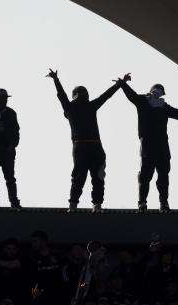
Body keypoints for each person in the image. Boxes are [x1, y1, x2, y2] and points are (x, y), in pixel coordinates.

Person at [115, 74, 178, 212]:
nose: (157, 94)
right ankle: (144, 203)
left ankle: (162, 204)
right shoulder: (144, 102)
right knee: (146, 176)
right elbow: (131, 95)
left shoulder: (163, 107)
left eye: (159, 92)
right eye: (156, 91)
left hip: (160, 148)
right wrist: (123, 84)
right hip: (151, 148)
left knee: (161, 177)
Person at [46, 69, 122, 212]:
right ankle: (96, 205)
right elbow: (105, 96)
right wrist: (119, 85)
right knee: (98, 178)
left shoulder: (70, 108)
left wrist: (56, 80)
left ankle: (73, 205)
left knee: (79, 177)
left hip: (80, 147)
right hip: (95, 146)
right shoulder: (90, 106)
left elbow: (61, 96)